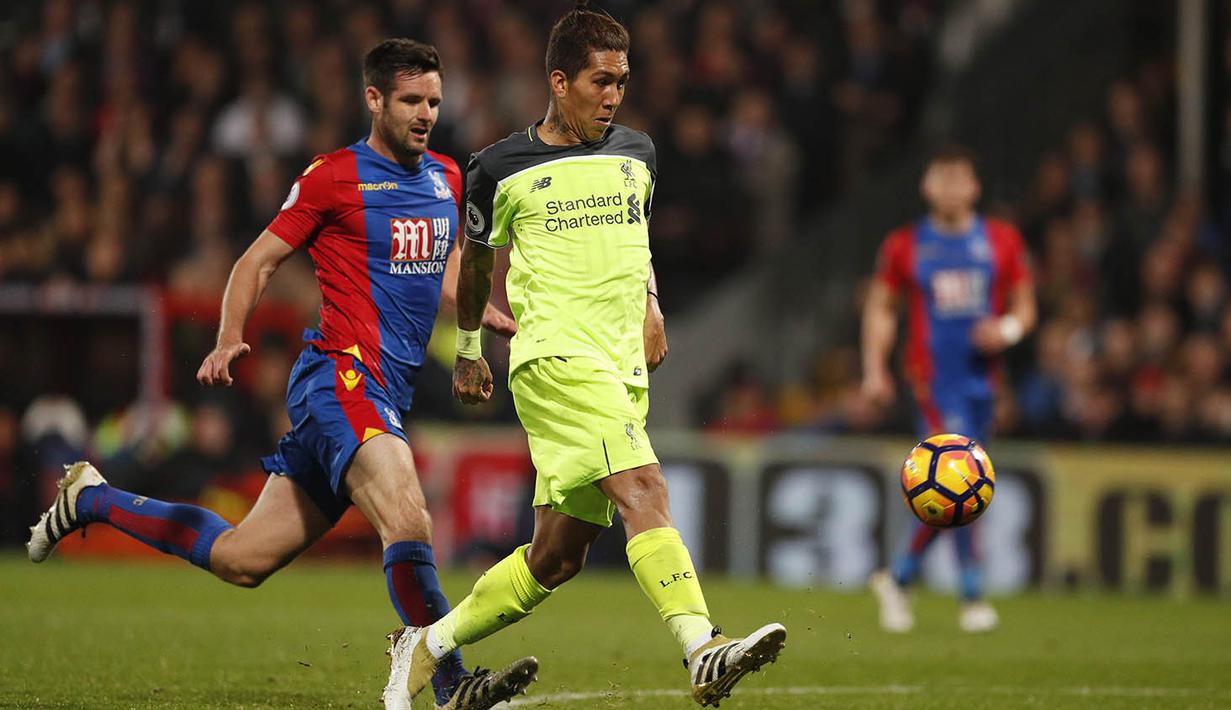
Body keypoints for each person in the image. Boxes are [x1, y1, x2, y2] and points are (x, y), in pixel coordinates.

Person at [26, 38, 536, 710]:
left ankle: (90, 499)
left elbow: (441, 267)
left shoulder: (444, 176)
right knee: (408, 517)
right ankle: (449, 682)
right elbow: (256, 262)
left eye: (434, 101)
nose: (425, 113)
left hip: (383, 391)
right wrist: (230, 336)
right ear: (374, 99)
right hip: (339, 378)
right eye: (411, 100)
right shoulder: (332, 176)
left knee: (242, 560)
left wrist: (480, 318)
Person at [382, 4, 787, 707]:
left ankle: (428, 643)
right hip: (554, 360)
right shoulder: (499, 166)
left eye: (622, 82)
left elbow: (636, 241)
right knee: (645, 490)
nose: (613, 96)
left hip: (619, 367)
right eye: (600, 81)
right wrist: (473, 347)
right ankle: (701, 645)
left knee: (556, 557)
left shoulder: (638, 152)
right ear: (559, 81)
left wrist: (653, 303)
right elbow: (477, 264)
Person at [862, 145, 1037, 633]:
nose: (952, 187)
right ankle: (972, 595)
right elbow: (881, 308)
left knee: (963, 486)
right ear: (927, 187)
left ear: (975, 187)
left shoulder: (1002, 241)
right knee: (961, 475)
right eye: (942, 178)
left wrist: (1005, 332)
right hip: (933, 381)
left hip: (984, 381)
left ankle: (899, 577)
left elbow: (1026, 308)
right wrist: (875, 368)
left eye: (960, 178)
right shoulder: (905, 245)